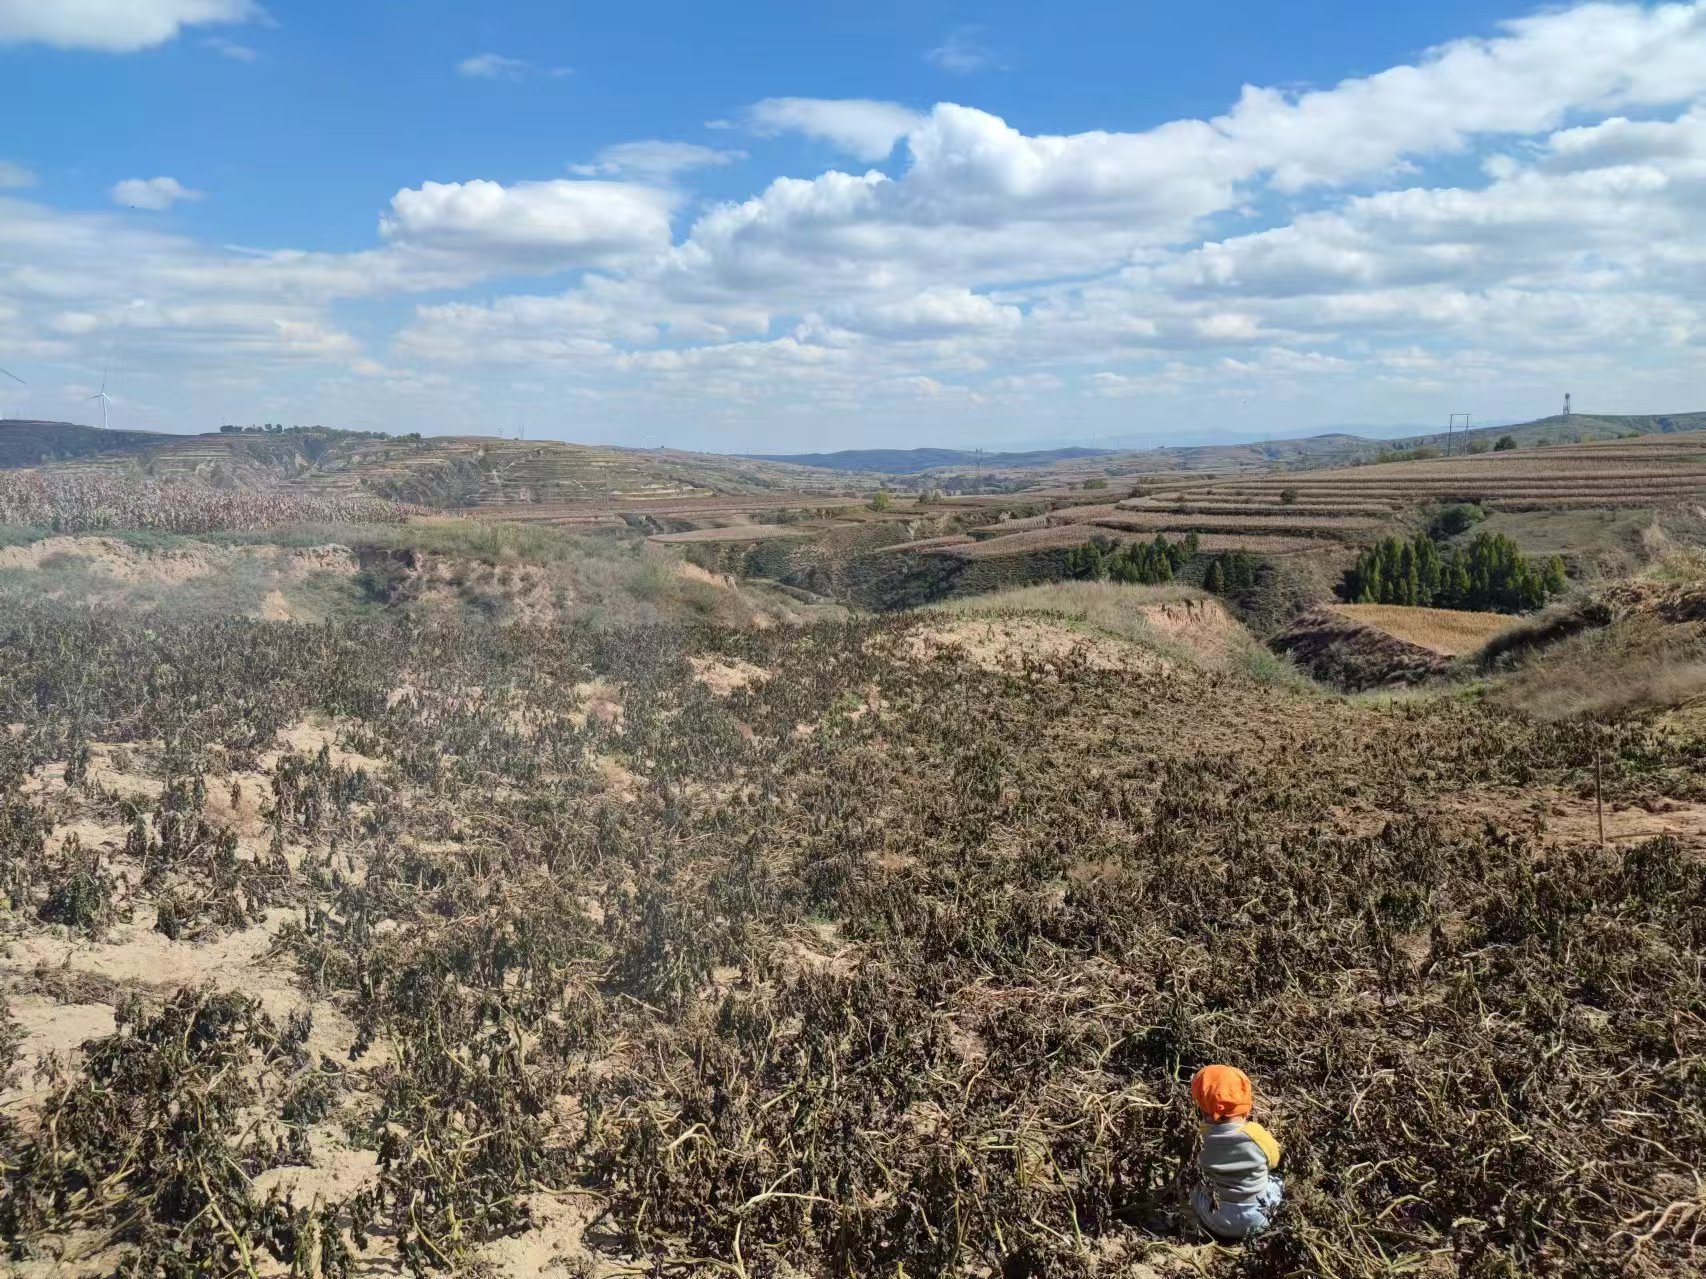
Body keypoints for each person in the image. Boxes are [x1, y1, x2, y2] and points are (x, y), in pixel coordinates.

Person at [1189, 1064, 1284, 1241]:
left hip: (1214, 1219)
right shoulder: (1256, 1134)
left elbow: (1193, 1170)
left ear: (1200, 1106)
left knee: (1192, 1187)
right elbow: (1274, 1161)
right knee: (1277, 1181)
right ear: (1246, 1105)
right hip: (1259, 1218)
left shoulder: (1198, 1138)